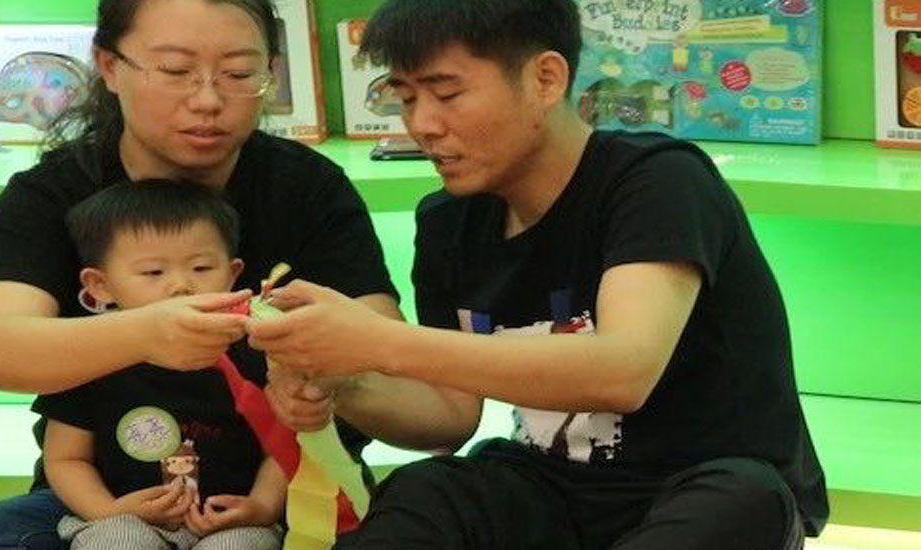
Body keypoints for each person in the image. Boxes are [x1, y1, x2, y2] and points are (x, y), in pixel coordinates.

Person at [245, 1, 830, 549]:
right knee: (427, 489)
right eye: (404, 97)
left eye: (447, 93)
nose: (422, 124)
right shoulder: (448, 221)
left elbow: (623, 370)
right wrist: (341, 382)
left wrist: (376, 342)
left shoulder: (658, 182)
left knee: (739, 501)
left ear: (546, 79)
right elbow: (449, 418)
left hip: (697, 485)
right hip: (551, 488)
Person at [0, 0, 474, 548]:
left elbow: (433, 415)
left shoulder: (307, 190)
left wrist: (337, 383)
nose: (209, 100)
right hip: (105, 501)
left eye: (238, 74)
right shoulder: (50, 196)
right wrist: (146, 333)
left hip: (294, 499)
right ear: (109, 66)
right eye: (175, 70)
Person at [35, 180, 285, 549]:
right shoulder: (90, 358)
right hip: (118, 518)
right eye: (153, 272)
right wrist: (108, 511)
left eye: (201, 267)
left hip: (232, 524)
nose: (181, 286)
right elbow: (65, 459)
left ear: (232, 274)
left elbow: (282, 447)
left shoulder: (257, 353)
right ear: (100, 284)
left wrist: (262, 507)